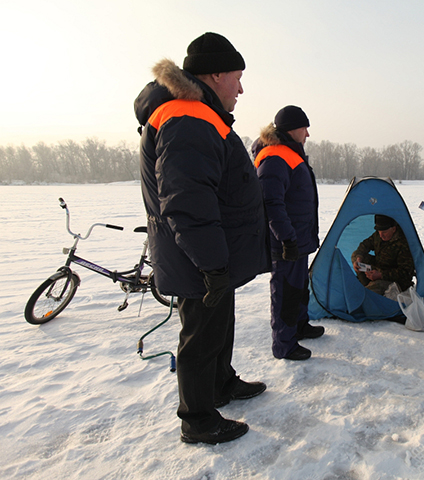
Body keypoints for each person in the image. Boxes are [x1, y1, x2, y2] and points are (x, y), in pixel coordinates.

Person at [134, 32, 271, 444]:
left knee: (218, 324)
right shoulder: (187, 117)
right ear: (215, 75)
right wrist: (211, 265)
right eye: (237, 77)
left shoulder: (198, 114)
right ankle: (198, 419)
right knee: (199, 335)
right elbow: (188, 201)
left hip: (210, 253)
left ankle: (221, 384)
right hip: (198, 257)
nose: (241, 88)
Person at [253, 106, 322, 361]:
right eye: (305, 128)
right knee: (285, 291)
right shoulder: (274, 156)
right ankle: (284, 344)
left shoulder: (289, 153)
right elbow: (271, 202)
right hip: (286, 242)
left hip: (298, 238)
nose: (307, 135)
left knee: (299, 287)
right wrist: (287, 238)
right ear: (292, 129)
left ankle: (300, 326)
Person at [351, 215, 415, 296]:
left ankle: (370, 289)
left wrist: (381, 275)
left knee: (368, 293)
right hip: (379, 268)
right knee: (355, 255)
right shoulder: (379, 235)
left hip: (393, 280)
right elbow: (365, 245)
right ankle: (367, 285)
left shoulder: (404, 243)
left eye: (384, 232)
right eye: (379, 232)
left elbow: (405, 273)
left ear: (394, 229)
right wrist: (359, 258)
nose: (381, 236)